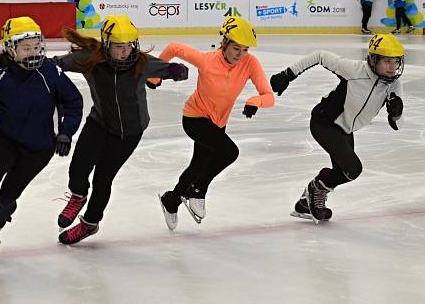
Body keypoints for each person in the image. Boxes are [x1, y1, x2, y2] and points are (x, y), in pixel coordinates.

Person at [0, 16, 83, 272]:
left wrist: (66, 132)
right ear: (10, 49)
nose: (33, 52)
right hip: (5, 139)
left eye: (36, 46)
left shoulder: (50, 73)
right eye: (26, 48)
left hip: (39, 148)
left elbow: (74, 102)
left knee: (7, 198)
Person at [52, 15, 189, 245]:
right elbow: (56, 64)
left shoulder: (142, 62)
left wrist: (176, 70)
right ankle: (78, 196)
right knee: (78, 168)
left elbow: (173, 70)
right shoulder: (90, 59)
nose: (125, 52)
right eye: (118, 47)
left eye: (129, 46)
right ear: (106, 44)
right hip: (99, 123)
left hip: (129, 132)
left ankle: (90, 224)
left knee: (103, 178)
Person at [269, 34, 404, 224]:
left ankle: (306, 203)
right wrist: (288, 74)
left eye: (396, 61)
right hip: (324, 123)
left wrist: (396, 112)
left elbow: (397, 123)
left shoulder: (394, 85)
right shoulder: (354, 70)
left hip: (346, 130)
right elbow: (320, 55)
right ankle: (315, 190)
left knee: (344, 172)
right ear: (374, 59)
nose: (393, 67)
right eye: (387, 61)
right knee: (353, 168)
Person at [157, 16, 275, 231]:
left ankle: (171, 200)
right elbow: (173, 48)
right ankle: (199, 190)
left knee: (197, 166)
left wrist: (254, 101)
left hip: (217, 123)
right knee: (229, 152)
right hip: (194, 118)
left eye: (245, 50)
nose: (240, 55)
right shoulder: (207, 60)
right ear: (225, 43)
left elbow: (268, 96)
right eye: (236, 48)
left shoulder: (250, 63)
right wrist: (156, 75)